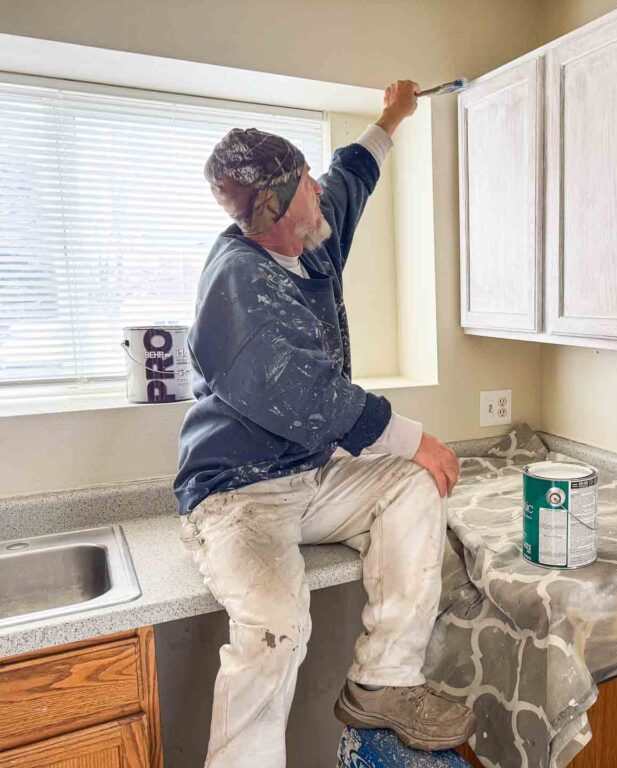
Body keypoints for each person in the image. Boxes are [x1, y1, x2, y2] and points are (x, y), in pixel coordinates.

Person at [174, 80, 473, 768]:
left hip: (311, 476)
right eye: (269, 226)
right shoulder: (239, 282)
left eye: (298, 206)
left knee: (410, 485)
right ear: (249, 226)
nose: (294, 230)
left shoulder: (310, 218)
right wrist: (415, 435)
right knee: (276, 627)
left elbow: (354, 175)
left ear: (302, 178)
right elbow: (312, 394)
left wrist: (393, 116)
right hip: (237, 495)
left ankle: (385, 681)